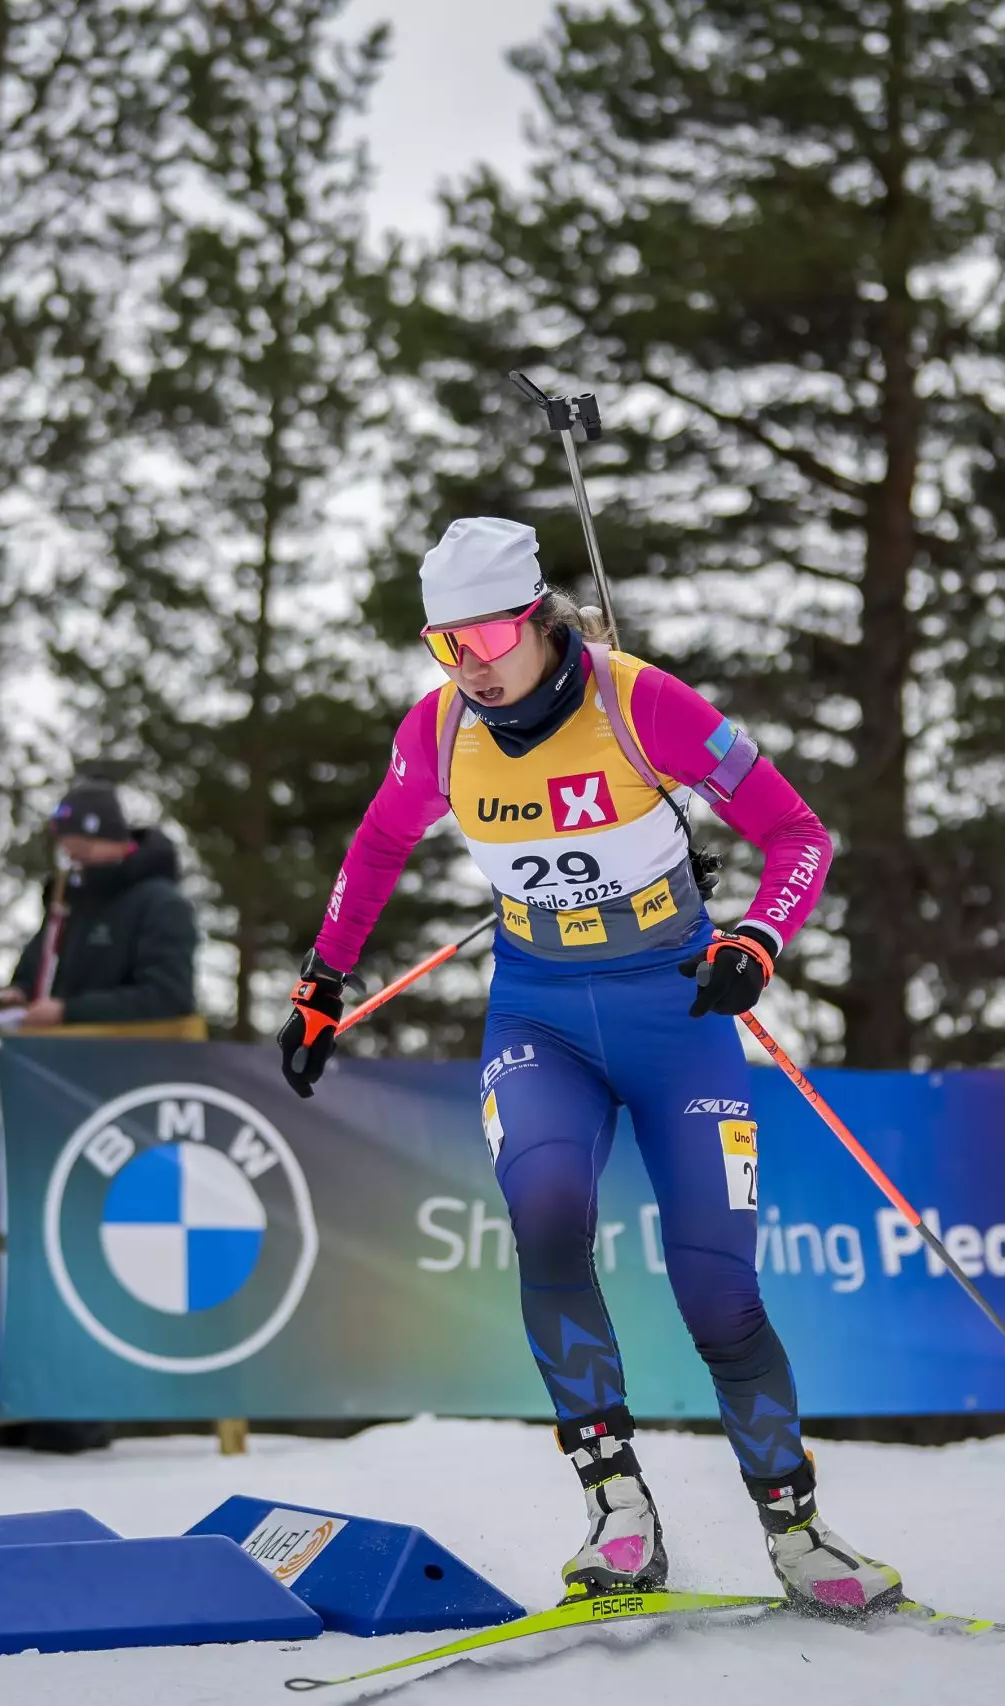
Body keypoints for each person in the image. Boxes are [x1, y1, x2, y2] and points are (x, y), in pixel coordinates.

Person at [276, 516, 900, 1616]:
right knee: (547, 1211)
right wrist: (323, 979)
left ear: (538, 616)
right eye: (442, 643)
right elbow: (376, 845)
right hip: (540, 1013)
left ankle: (794, 1525)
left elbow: (799, 835)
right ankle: (616, 1503)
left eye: (482, 635)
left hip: (676, 1010)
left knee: (717, 1286)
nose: (466, 663)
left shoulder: (640, 700)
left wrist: (756, 940)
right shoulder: (435, 733)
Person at [0, 780, 204, 1036]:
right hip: (58, 1057)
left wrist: (69, 1011)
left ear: (113, 840)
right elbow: (39, 963)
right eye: (67, 850)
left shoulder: (160, 904)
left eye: (83, 848)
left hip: (136, 1062)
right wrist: (21, 992)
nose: (74, 859)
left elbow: (167, 997)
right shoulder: (69, 903)